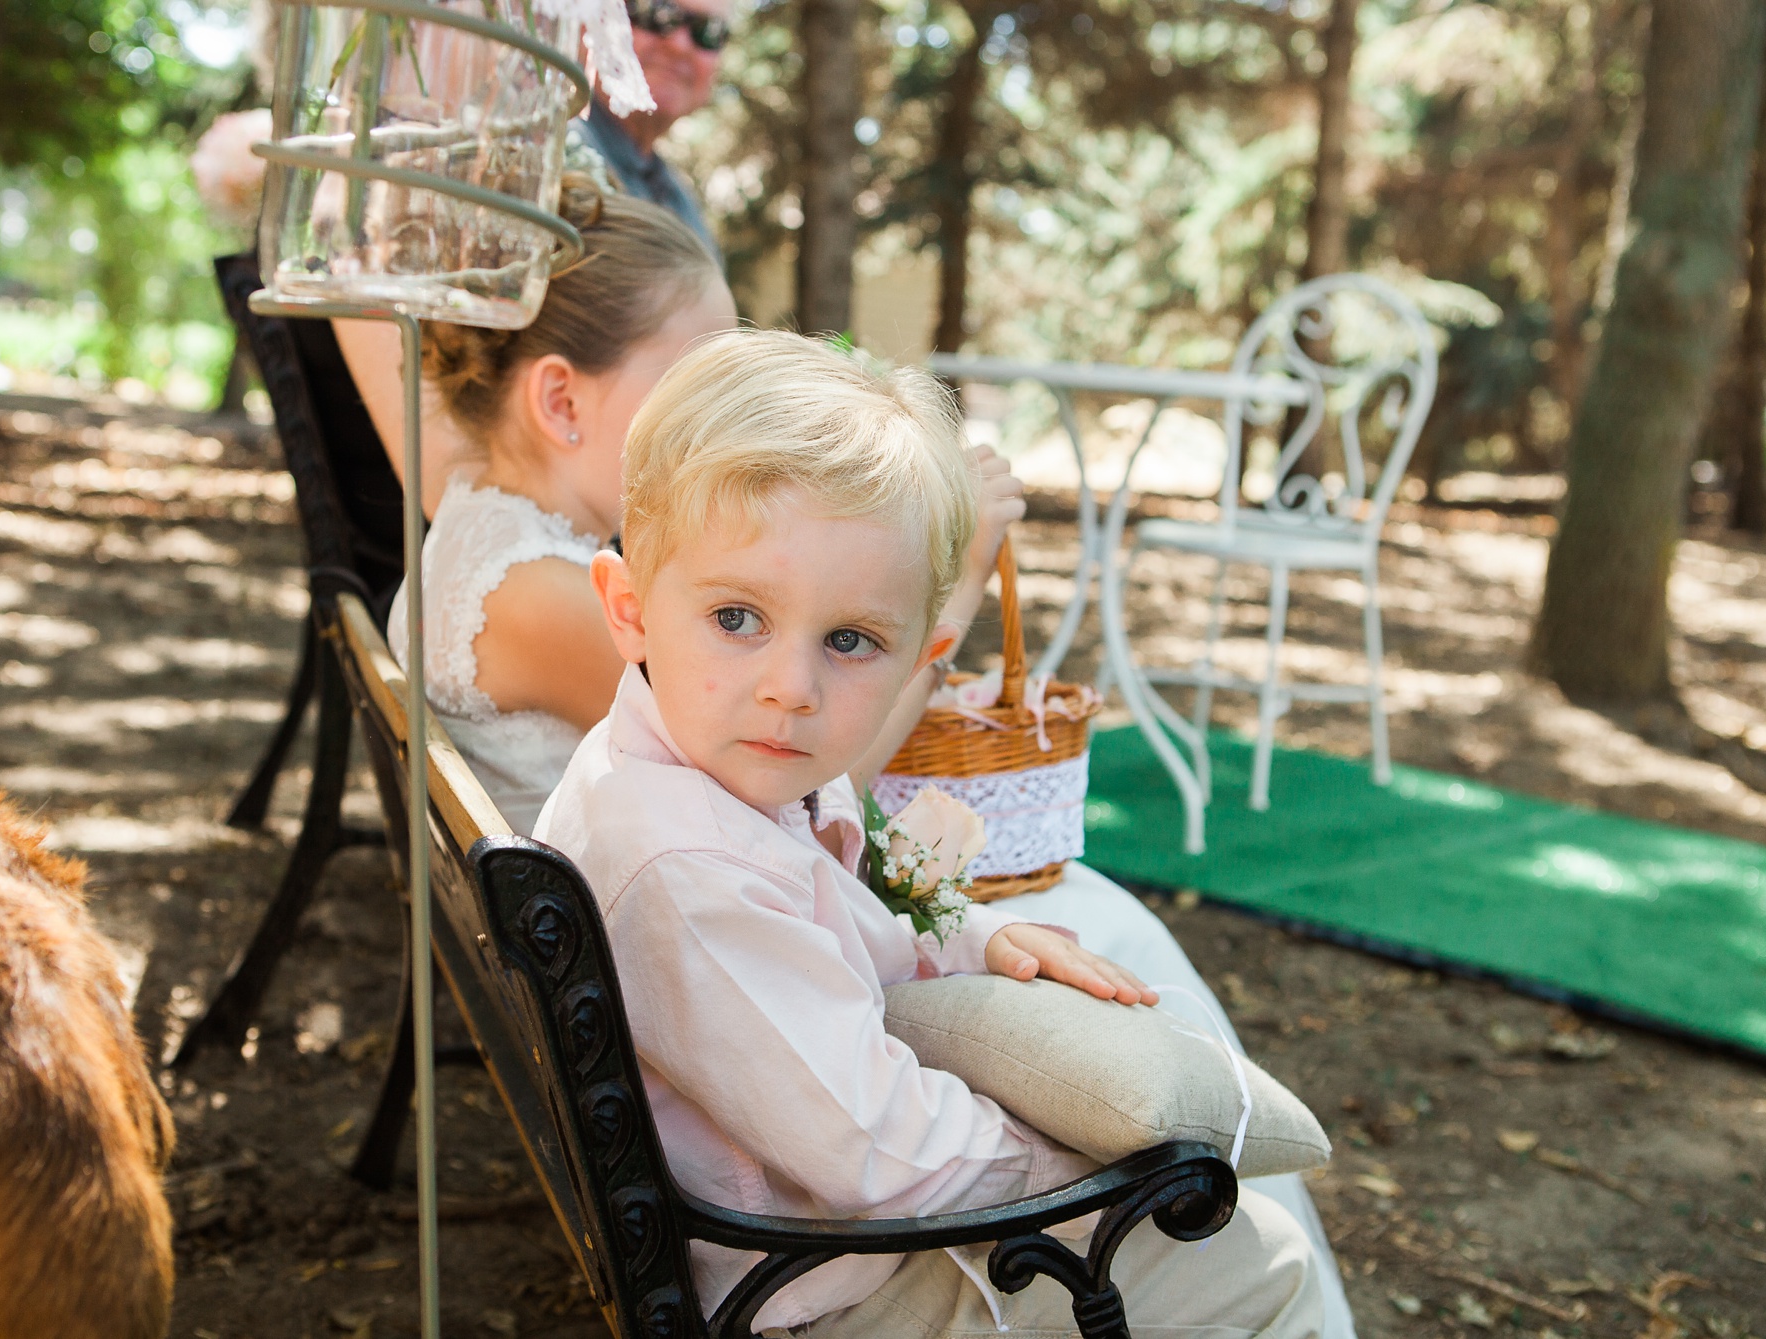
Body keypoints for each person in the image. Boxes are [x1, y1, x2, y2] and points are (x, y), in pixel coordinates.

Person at [533, 329, 1324, 1337]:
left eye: (850, 641)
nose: (792, 686)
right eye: (737, 617)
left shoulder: (700, 772)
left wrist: (972, 940)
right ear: (630, 608)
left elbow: (839, 921)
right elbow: (882, 1152)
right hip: (821, 1288)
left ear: (922, 652)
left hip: (809, 1231)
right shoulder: (690, 867)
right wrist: (1095, 1162)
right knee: (1262, 1266)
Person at [390, 183, 735, 833]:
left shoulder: (481, 529)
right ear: (560, 402)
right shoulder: (543, 595)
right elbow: (771, 796)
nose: (722, 427)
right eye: (694, 390)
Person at [573, 0, 731, 252]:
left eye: (707, 30)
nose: (679, 45)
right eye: (656, 14)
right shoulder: (547, 149)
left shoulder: (683, 205)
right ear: (588, 22)